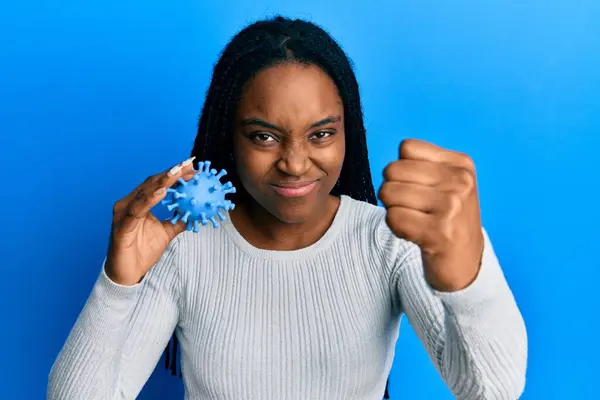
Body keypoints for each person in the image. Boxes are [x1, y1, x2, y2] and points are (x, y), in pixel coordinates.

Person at [47, 15, 527, 400]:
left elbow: (492, 391)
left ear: (347, 134)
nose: (295, 164)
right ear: (228, 140)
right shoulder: (183, 250)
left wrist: (470, 280)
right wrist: (118, 286)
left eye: (321, 134)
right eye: (264, 136)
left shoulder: (387, 243)